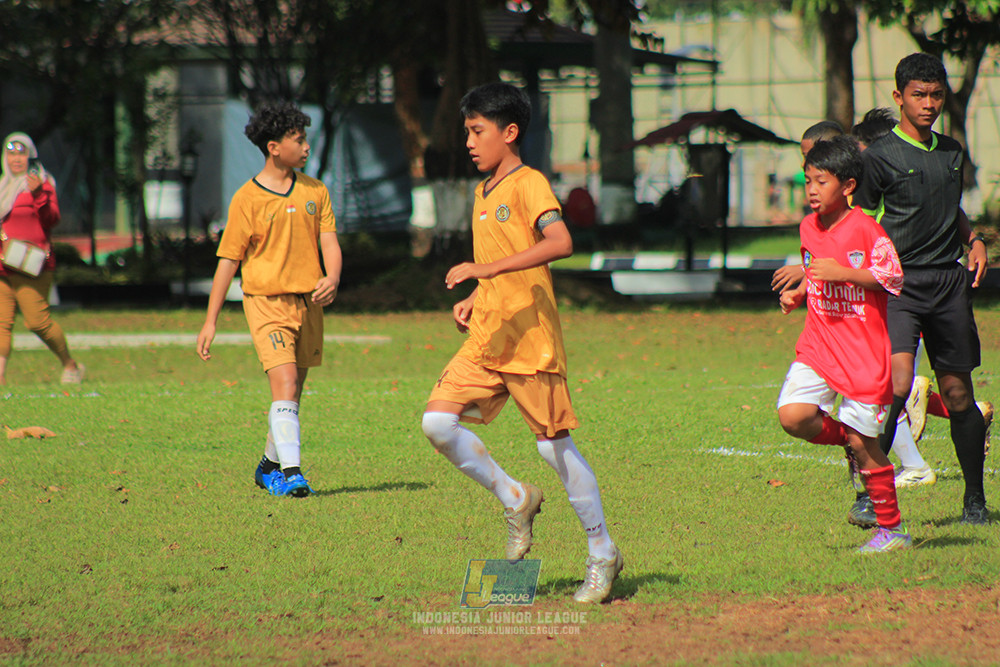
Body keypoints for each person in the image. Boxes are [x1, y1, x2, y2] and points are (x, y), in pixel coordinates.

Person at [420, 82, 623, 603]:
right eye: (467, 131)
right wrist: (478, 292)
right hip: (488, 332)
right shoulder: (481, 191)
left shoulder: (528, 183)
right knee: (437, 423)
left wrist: (483, 269)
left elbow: (560, 243)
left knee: (553, 447)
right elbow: (500, 262)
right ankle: (515, 497)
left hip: (531, 337)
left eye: (477, 131)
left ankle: (602, 553)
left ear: (509, 133)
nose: (469, 141)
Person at [853, 53, 990, 525]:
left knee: (957, 394)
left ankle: (975, 499)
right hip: (898, 288)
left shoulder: (952, 151)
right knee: (894, 387)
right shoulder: (878, 158)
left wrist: (972, 239)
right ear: (899, 97)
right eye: (918, 95)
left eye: (935, 95)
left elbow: (949, 208)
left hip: (948, 285)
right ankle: (870, 495)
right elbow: (860, 223)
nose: (928, 103)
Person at [196, 102, 342, 497]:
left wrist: (332, 277)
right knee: (286, 380)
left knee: (291, 394)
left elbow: (329, 241)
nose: (307, 146)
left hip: (308, 304)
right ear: (275, 147)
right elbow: (228, 262)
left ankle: (268, 466)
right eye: (299, 140)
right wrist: (211, 321)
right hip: (266, 303)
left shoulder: (315, 191)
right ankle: (293, 473)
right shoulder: (247, 199)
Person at [777, 135, 909, 553]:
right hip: (819, 343)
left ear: (848, 186)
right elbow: (817, 272)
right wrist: (799, 293)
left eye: (821, 181)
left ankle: (892, 532)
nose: (812, 190)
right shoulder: (807, 226)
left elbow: (893, 278)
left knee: (866, 445)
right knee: (793, 417)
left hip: (864, 357)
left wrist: (846, 273)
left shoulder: (867, 230)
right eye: (807, 180)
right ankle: (850, 443)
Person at [0, 132, 84, 385]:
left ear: (31, 156)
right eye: (11, 153)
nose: (16, 159)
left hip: (31, 266)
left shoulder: (42, 183)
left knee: (37, 322)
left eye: (22, 153)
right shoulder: (2, 186)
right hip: (2, 266)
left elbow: (52, 220)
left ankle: (70, 365)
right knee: (2, 323)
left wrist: (38, 195)